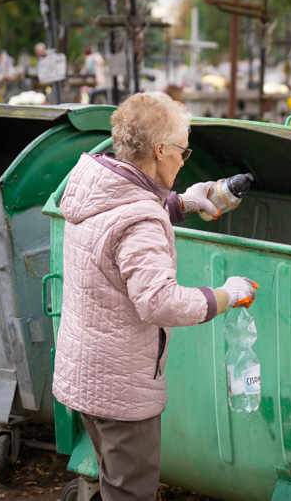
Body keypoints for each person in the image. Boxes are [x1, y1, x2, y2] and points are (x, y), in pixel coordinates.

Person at [52, 91, 259, 500]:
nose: (185, 160)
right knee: (131, 493)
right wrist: (226, 295)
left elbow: (121, 218)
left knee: (116, 484)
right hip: (121, 388)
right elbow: (159, 302)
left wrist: (181, 202)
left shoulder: (96, 184)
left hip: (87, 374)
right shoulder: (140, 220)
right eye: (183, 151)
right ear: (161, 150)